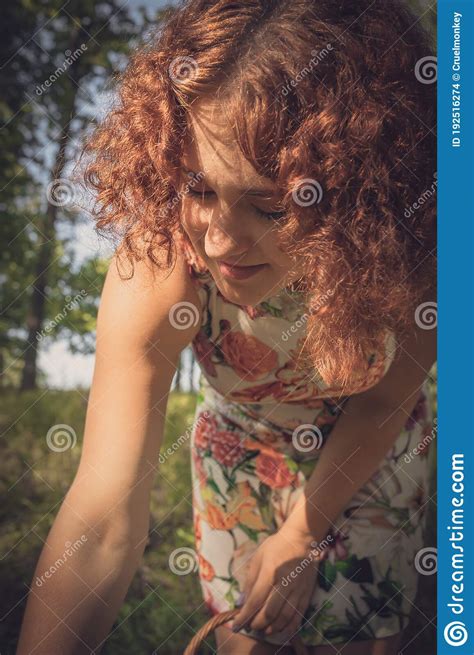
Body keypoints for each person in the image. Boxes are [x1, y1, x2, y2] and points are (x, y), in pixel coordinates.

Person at [16, 1, 437, 654]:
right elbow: (100, 525)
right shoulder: (159, 261)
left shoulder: (417, 251)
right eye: (200, 188)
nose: (217, 240)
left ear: (363, 188)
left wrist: (302, 534)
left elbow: (385, 399)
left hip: (370, 444)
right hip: (239, 449)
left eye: (269, 204)